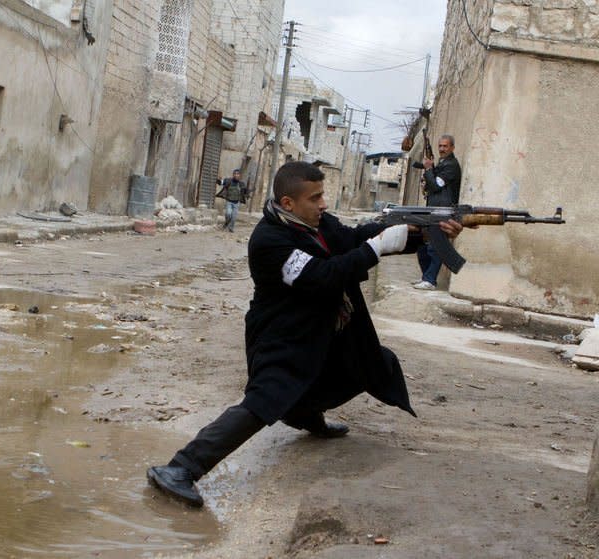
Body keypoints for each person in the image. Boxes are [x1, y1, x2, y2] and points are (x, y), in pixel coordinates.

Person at [146, 161, 462, 507]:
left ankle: (302, 412)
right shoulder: (269, 239)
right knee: (265, 399)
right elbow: (321, 277)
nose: (323, 204)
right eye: (315, 198)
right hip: (284, 335)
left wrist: (424, 233)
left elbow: (355, 239)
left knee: (372, 364)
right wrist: (376, 249)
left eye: (322, 195)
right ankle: (181, 468)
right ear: (288, 203)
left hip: (324, 329)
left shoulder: (318, 224)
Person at [413, 134, 462, 290]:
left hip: (444, 210)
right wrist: (429, 171)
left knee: (436, 247)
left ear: (452, 148)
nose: (442, 149)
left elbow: (436, 186)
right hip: (434, 210)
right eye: (440, 146)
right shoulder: (443, 163)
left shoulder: (451, 165)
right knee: (422, 245)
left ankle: (430, 280)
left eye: (445, 146)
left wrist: (428, 170)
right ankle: (426, 277)